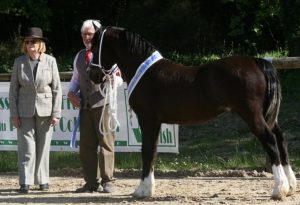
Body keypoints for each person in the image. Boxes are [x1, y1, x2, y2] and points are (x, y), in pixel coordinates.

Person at [9, 27, 62, 193]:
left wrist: (56, 113)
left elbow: (57, 89)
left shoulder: (51, 61)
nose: (30, 44)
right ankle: (25, 181)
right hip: (24, 111)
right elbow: (13, 91)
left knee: (43, 147)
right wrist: (14, 114)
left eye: (34, 41)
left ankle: (43, 179)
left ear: (41, 44)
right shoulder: (19, 62)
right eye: (27, 41)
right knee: (26, 147)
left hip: (46, 111)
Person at [68, 19, 117, 193]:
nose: (86, 37)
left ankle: (108, 181)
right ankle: (90, 183)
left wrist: (113, 80)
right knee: (86, 147)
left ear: (96, 35)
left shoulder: (107, 54)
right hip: (85, 107)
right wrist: (71, 93)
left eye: (89, 34)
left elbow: (118, 77)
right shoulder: (79, 56)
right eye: (84, 34)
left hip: (103, 105)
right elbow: (75, 79)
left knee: (106, 145)